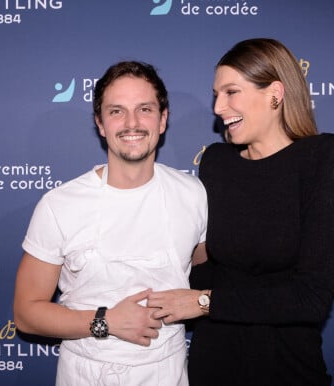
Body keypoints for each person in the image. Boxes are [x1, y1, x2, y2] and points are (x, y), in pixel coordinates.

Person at [147, 38, 334, 385]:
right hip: (212, 362)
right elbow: (214, 271)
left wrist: (201, 302)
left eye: (231, 92)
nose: (217, 107)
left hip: (286, 365)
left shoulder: (323, 158)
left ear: (275, 92)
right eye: (216, 94)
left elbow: (311, 298)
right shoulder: (217, 162)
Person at [13, 61, 207, 386]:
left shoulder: (193, 194)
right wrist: (106, 321)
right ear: (100, 124)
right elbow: (26, 313)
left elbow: (205, 269)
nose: (132, 123)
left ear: (163, 119)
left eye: (144, 109)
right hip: (87, 373)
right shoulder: (60, 205)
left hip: (168, 372)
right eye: (116, 111)